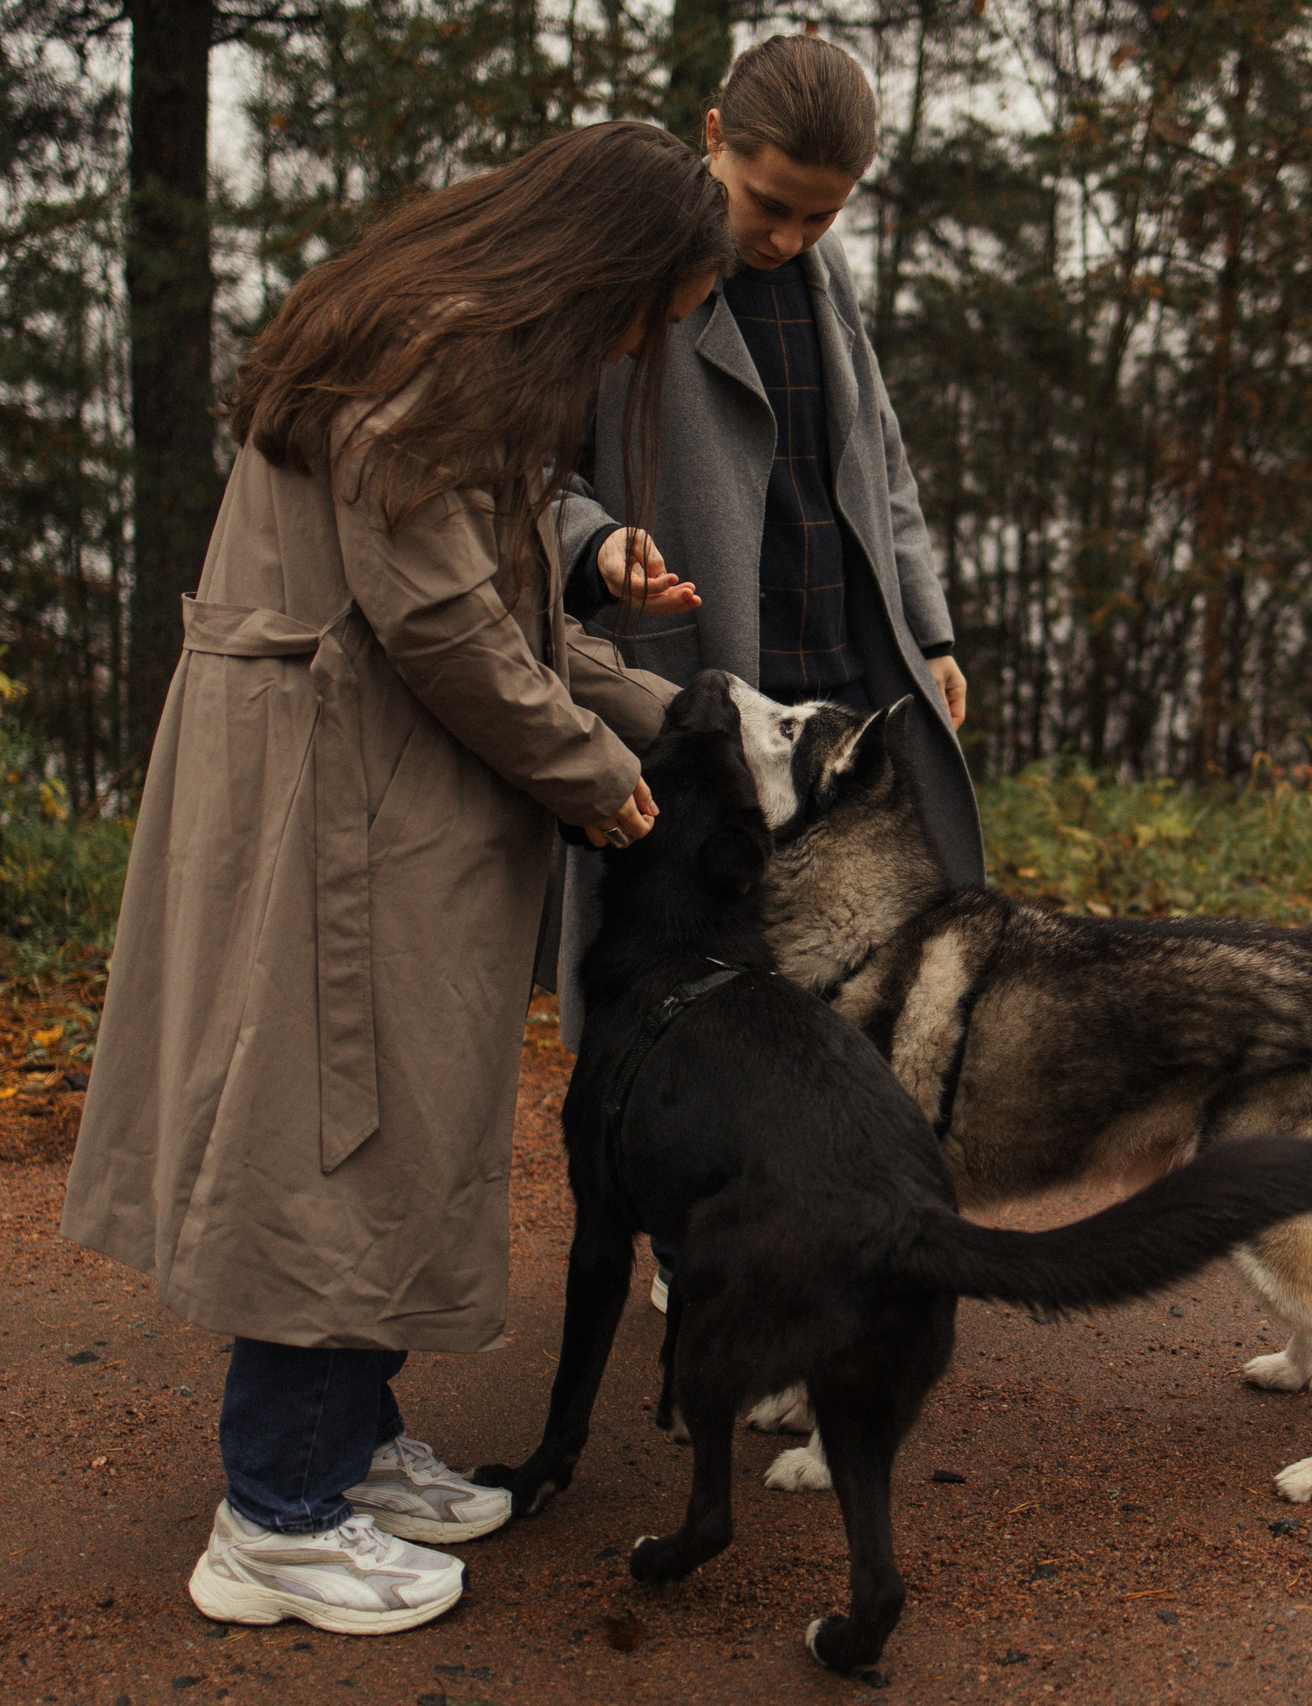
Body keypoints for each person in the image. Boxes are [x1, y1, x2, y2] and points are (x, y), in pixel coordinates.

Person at [58, 122, 734, 1637]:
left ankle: (346, 1449)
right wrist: (599, 777)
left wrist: (658, 713)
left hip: (373, 787)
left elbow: (487, 609)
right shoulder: (430, 357)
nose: (636, 348)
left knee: (391, 1110)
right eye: (647, 312)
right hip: (337, 800)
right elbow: (436, 621)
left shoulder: (449, 338)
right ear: (602, 269)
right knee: (334, 1128)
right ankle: (277, 1519)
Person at [545, 38, 986, 1308]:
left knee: (848, 969)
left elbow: (882, 470)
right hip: (694, 680)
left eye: (820, 214)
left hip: (844, 677)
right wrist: (591, 547)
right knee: (695, 972)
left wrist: (932, 632)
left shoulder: (825, 278)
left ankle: (830, 1222)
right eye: (768, 205)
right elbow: (530, 466)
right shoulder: (619, 271)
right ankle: (694, 1240)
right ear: (712, 135)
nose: (789, 237)